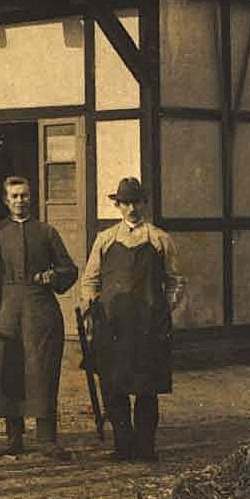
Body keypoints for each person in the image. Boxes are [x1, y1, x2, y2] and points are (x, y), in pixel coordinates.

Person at [79, 177, 187, 462]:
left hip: (148, 328)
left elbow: (176, 281)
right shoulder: (105, 239)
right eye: (125, 203)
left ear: (144, 203)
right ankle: (122, 446)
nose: (131, 208)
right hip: (113, 327)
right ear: (117, 205)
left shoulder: (160, 239)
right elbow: (89, 281)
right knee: (114, 388)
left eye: (136, 202)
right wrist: (92, 309)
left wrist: (163, 309)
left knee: (146, 389)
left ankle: (145, 447)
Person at [0, 176, 79, 459]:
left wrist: (52, 275)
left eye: (24, 195)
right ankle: (14, 437)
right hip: (6, 310)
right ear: (5, 200)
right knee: (10, 369)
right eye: (14, 196)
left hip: (40, 310)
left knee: (42, 371)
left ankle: (47, 439)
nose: (19, 200)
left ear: (30, 198)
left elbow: (70, 269)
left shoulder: (46, 232)